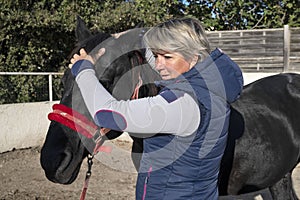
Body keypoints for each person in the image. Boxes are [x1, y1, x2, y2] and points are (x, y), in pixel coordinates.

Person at [69, 17, 243, 200]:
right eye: (156, 55)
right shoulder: (212, 89)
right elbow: (163, 60)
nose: (159, 65)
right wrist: (123, 37)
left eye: (167, 57)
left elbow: (106, 114)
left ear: (193, 57)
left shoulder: (181, 103)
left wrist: (83, 68)